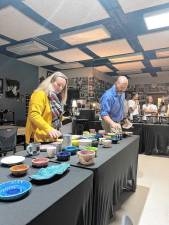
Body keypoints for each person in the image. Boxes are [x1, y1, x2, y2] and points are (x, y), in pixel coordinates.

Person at [25, 72, 68, 144]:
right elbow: (34, 115)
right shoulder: (39, 94)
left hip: (50, 138)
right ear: (51, 82)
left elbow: (52, 117)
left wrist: (68, 119)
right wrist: (49, 129)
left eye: (63, 86)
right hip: (38, 139)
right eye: (58, 84)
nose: (60, 88)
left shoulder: (54, 98)